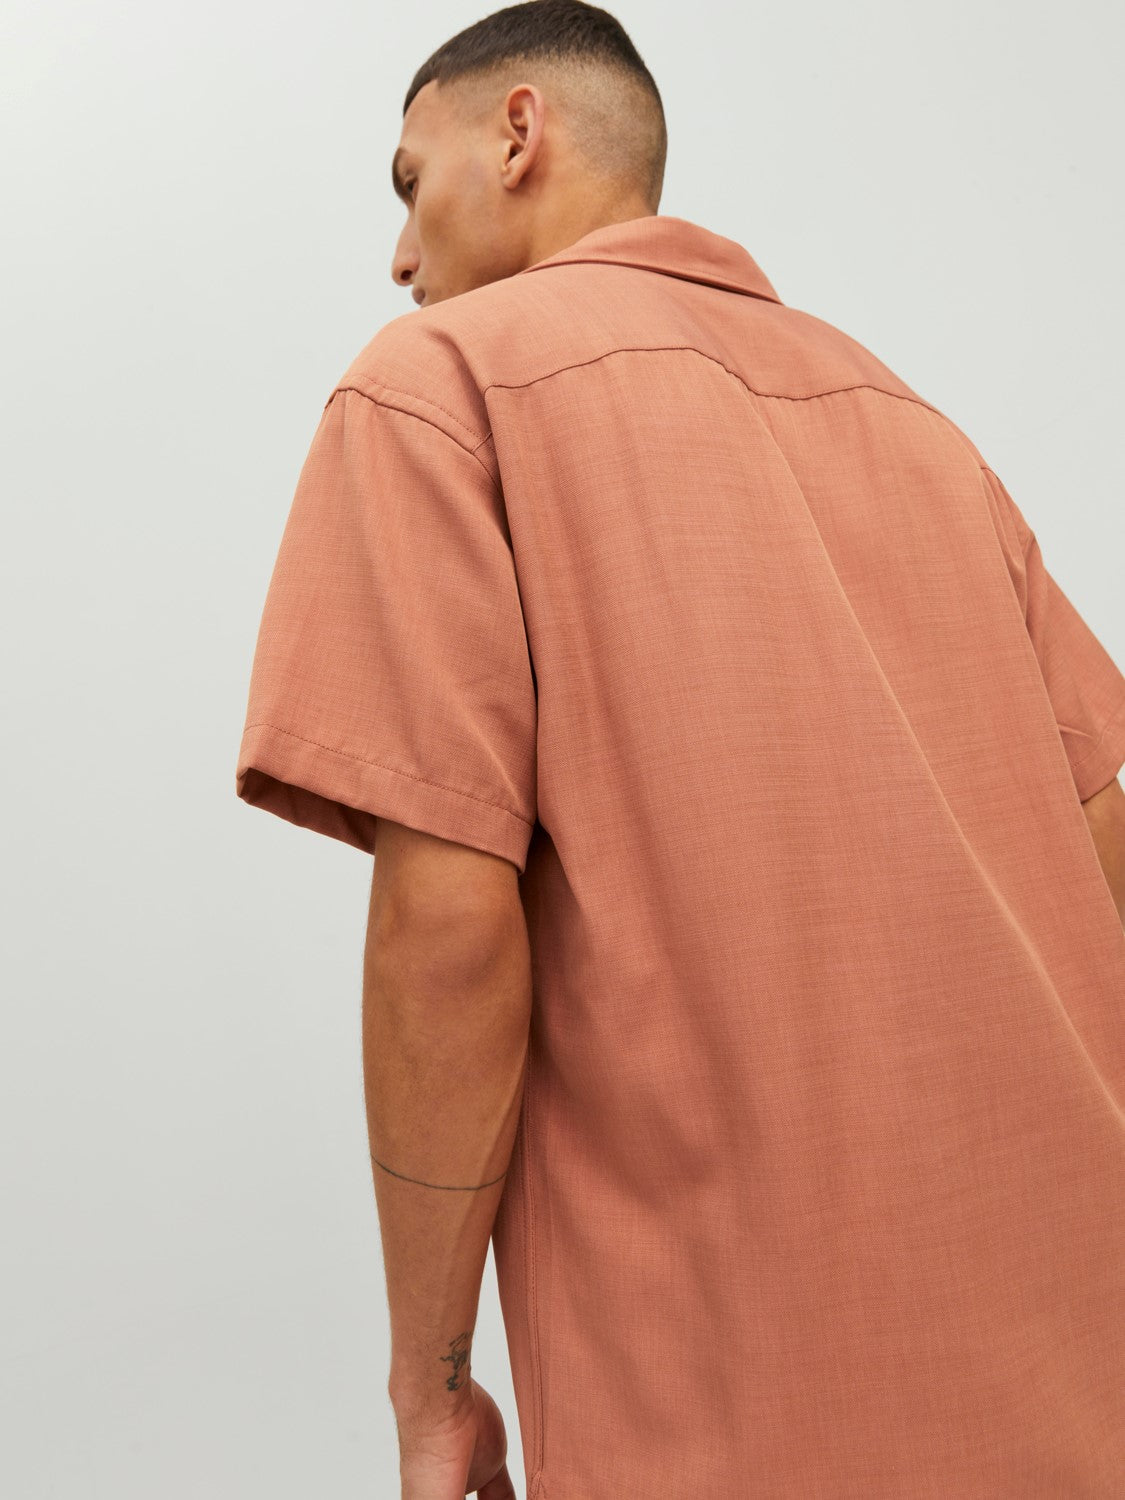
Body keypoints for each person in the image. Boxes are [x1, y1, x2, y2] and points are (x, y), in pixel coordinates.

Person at [234, 2, 1125, 1495]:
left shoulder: (436, 387)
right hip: (1079, 1367)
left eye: (408, 181)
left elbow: (447, 929)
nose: (397, 252)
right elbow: (1102, 843)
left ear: (517, 133)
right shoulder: (915, 428)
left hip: (730, 1411)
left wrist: (431, 1387)